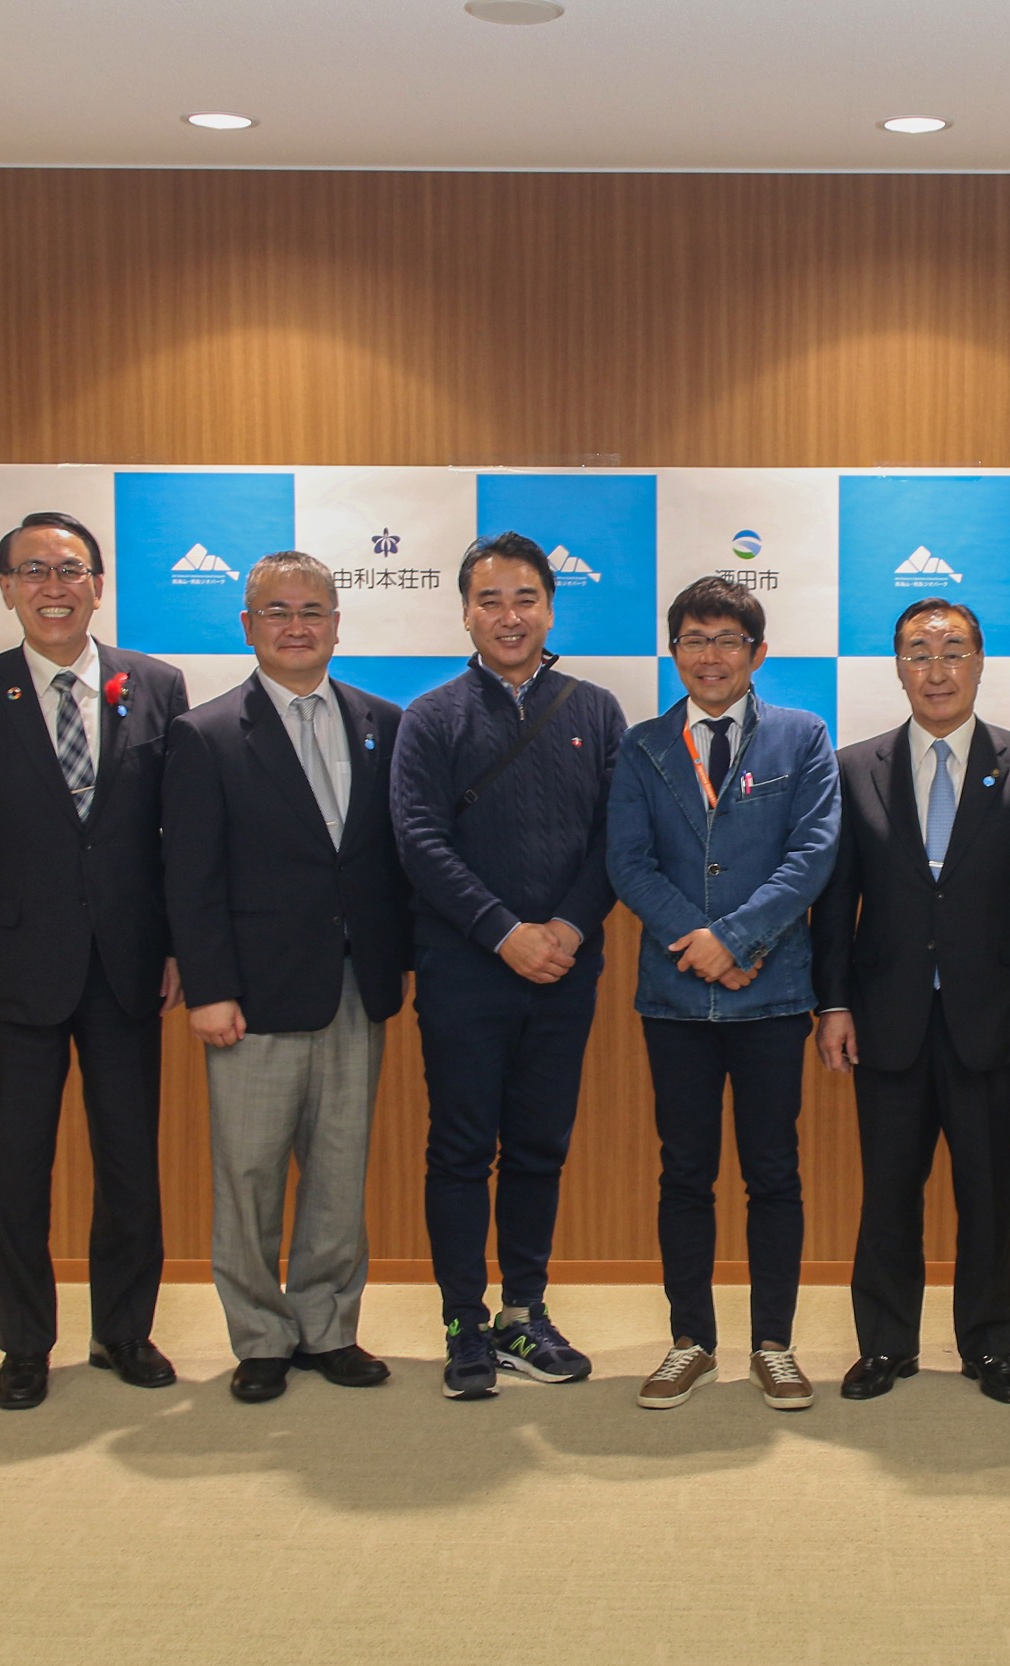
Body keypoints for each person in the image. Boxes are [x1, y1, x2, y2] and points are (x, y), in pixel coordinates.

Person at [0, 511, 190, 1411]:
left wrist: (176, 947)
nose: (53, 586)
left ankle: (124, 1330)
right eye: (33, 570)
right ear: (6, 587)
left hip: (127, 965)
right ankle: (24, 1344)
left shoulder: (155, 685)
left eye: (70, 569)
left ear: (98, 585)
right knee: (15, 1169)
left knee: (129, 1165)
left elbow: (178, 836)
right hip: (13, 969)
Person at [812, 599, 1010, 1405]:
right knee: (888, 1190)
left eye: (953, 650)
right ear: (898, 667)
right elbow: (836, 901)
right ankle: (885, 1344)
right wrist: (832, 1004)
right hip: (886, 1015)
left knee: (988, 1191)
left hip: (991, 1015)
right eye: (919, 652)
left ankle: (990, 1346)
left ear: (980, 663)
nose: (937, 669)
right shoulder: (855, 766)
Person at [164, 552, 409, 1404]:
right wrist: (208, 989)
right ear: (248, 626)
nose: (296, 626)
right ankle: (261, 1338)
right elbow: (190, 877)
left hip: (355, 987)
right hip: (252, 997)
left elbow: (391, 861)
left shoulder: (384, 722)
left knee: (340, 1173)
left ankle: (328, 1326)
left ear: (337, 624)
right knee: (249, 1176)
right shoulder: (205, 734)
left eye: (312, 612)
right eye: (277, 611)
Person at [391, 531, 625, 1401]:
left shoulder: (595, 709)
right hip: (463, 971)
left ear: (550, 609)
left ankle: (524, 1311)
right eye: (488, 600)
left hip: (565, 969)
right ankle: (463, 1321)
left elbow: (617, 836)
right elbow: (419, 840)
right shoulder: (431, 716)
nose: (509, 615)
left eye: (525, 598)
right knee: (460, 1149)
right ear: (465, 613)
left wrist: (565, 927)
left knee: (538, 1146)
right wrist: (503, 933)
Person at [607, 576, 839, 1411]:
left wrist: (736, 941)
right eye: (694, 640)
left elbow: (812, 854)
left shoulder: (802, 737)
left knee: (774, 1173)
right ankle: (691, 1342)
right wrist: (701, 946)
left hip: (772, 996)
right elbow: (627, 863)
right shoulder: (642, 746)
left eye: (728, 640)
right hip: (675, 1000)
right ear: (674, 652)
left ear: (757, 652)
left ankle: (774, 1343)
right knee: (684, 1173)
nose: (711, 656)